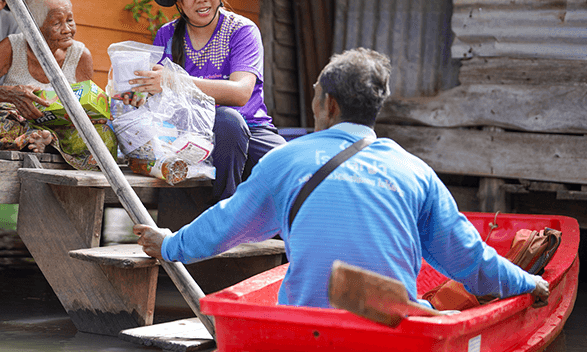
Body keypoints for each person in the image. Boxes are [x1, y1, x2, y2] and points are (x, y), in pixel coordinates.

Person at [134, 48, 549, 310]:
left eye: (316, 94)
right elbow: (469, 261)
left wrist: (169, 244)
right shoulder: (415, 172)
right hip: (389, 330)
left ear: (328, 104)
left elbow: (224, 226)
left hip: (304, 330)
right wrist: (528, 282)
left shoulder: (285, 161)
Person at [120, 0, 286, 200]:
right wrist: (138, 94)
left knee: (292, 171)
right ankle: (223, 217)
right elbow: (158, 98)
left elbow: (241, 93)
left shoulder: (242, 30)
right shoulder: (166, 34)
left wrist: (174, 81)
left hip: (250, 128)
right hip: (186, 134)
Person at [0, 0, 118, 170]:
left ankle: (46, 141)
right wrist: (10, 94)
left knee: (104, 136)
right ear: (33, 27)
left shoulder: (80, 56)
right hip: (19, 124)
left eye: (70, 20)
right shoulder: (12, 47)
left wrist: (94, 114)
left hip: (62, 131)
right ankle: (37, 138)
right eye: (57, 23)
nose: (67, 29)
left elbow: (87, 103)